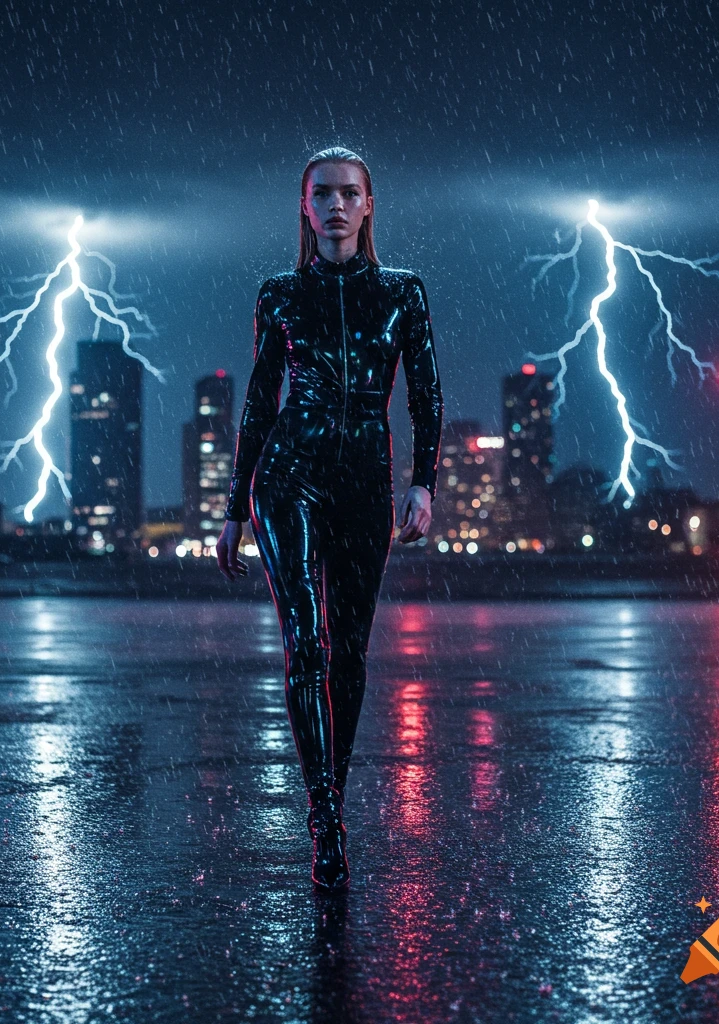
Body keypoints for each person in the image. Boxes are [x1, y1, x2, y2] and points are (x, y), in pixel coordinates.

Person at [215, 146, 443, 890]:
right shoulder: (279, 292)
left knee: (349, 654)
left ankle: (331, 799)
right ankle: (326, 822)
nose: (337, 205)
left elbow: (425, 397)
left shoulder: (403, 293)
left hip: (362, 485)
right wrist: (233, 507)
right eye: (323, 194)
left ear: (368, 206)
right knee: (306, 644)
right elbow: (258, 400)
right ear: (306, 208)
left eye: (350, 193)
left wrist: (424, 484)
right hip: (287, 479)